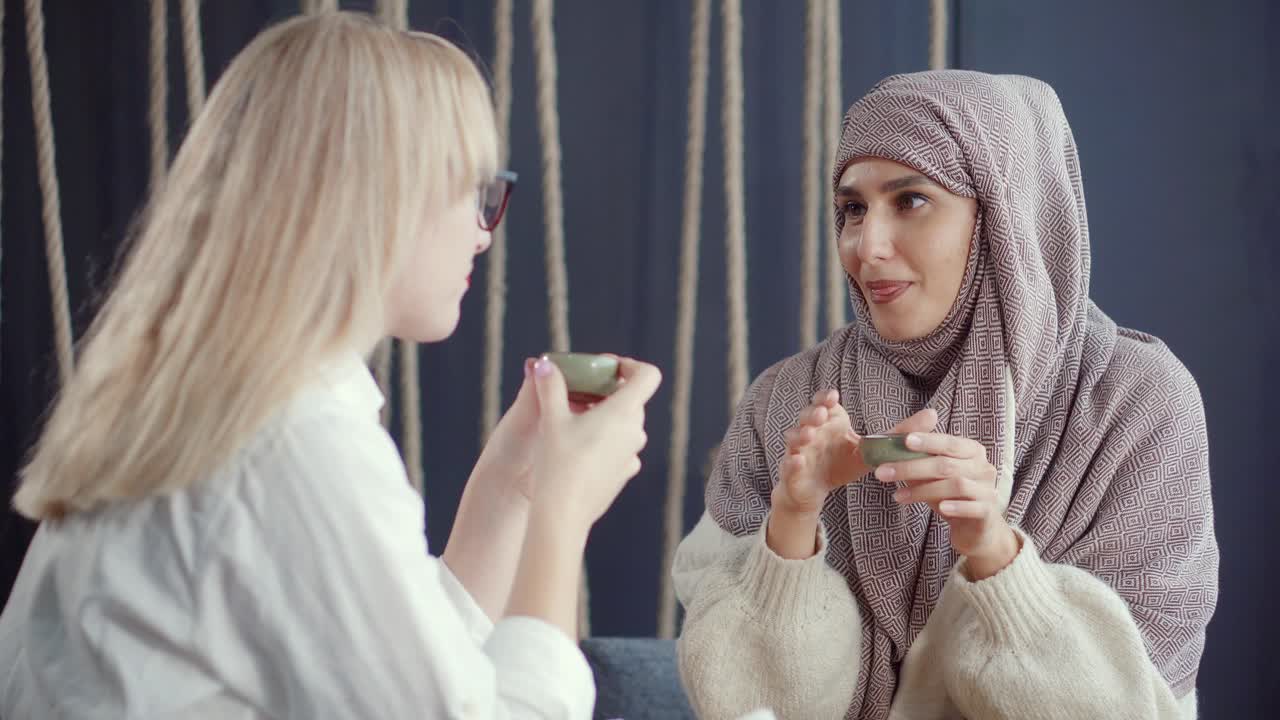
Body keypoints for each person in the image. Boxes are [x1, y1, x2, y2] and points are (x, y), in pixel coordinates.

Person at [0, 12, 661, 719]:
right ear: (379, 196)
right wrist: (564, 511)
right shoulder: (291, 442)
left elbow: (398, 674)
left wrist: (512, 490)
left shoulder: (219, 407)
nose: (482, 232)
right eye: (474, 191)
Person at [673, 70, 1217, 719]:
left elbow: (1134, 706)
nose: (865, 246)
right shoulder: (788, 400)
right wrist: (792, 521)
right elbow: (741, 704)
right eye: (852, 208)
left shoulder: (1135, 404)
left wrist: (994, 553)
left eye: (910, 201)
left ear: (1004, 215)